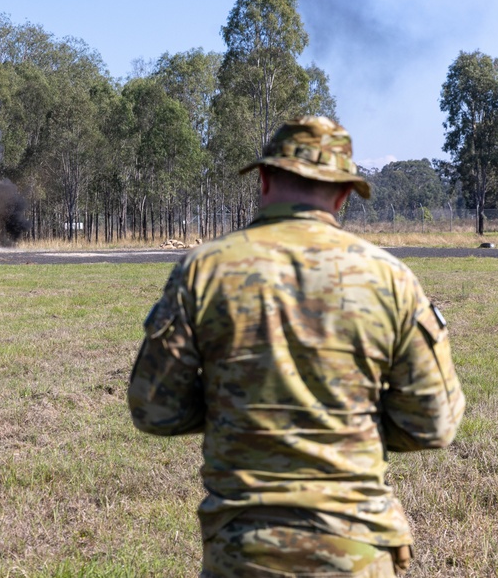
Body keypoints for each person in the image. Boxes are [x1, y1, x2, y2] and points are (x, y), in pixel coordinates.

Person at [127, 117, 465, 578]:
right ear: (344, 195)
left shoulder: (204, 271)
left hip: (243, 552)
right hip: (357, 550)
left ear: (263, 180)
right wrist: (349, 425)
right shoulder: (390, 279)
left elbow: (153, 410)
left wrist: (239, 413)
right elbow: (433, 424)